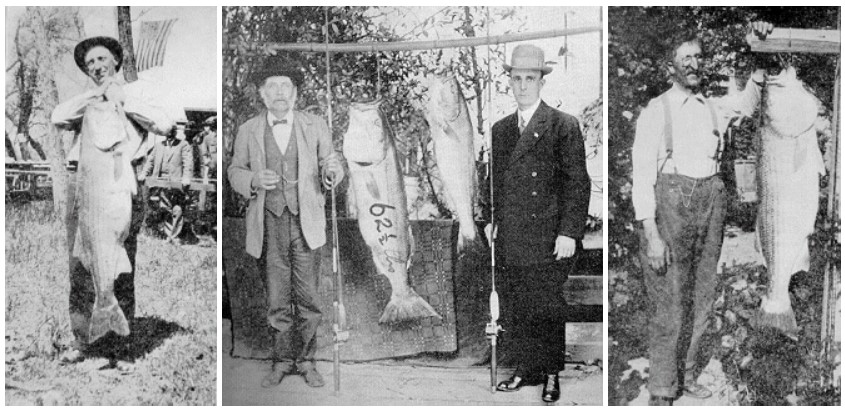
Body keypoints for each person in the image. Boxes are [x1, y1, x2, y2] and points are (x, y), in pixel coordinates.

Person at [631, 22, 773, 406]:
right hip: (670, 211)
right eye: (685, 58)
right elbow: (641, 177)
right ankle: (662, 387)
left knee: (703, 298)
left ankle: (688, 374)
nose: (694, 64)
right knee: (669, 301)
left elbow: (749, 102)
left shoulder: (715, 106)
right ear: (671, 67)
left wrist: (760, 52)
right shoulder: (656, 111)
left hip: (711, 204)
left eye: (698, 56)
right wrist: (652, 235)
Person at [51, 36, 173, 359]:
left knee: (122, 262)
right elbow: (56, 117)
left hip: (122, 184)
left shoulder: (134, 94)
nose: (96, 67)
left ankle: (120, 342)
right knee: (81, 263)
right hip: (87, 185)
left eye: (101, 59)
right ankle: (84, 340)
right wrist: (95, 96)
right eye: (89, 63)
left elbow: (166, 123)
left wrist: (121, 100)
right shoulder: (86, 102)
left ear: (116, 62)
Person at [482, 43, 591, 404]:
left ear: (541, 81)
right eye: (517, 78)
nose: (523, 85)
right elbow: (493, 184)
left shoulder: (562, 125)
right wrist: (490, 220)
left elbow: (577, 183)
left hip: (549, 236)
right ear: (510, 82)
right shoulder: (500, 131)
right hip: (512, 235)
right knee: (515, 304)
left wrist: (569, 232)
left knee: (545, 305)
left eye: (530, 78)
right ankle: (524, 370)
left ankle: (550, 374)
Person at [227, 56, 344, 388]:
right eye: (272, 86)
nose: (279, 92)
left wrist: (333, 172)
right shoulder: (248, 129)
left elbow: (331, 165)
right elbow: (234, 171)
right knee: (277, 298)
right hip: (268, 224)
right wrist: (251, 179)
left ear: (295, 93)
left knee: (308, 299)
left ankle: (306, 361)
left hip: (307, 223)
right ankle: (280, 362)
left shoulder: (315, 125)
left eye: (285, 86)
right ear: (262, 94)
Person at [139, 123, 194, 241]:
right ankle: (169, 234)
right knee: (165, 208)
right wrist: (144, 173)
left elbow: (187, 163)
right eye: (167, 133)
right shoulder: (159, 146)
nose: (169, 135)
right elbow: (150, 161)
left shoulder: (183, 145)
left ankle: (174, 236)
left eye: (172, 132)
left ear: (175, 132)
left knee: (177, 208)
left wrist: (186, 178)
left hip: (176, 182)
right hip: (161, 182)